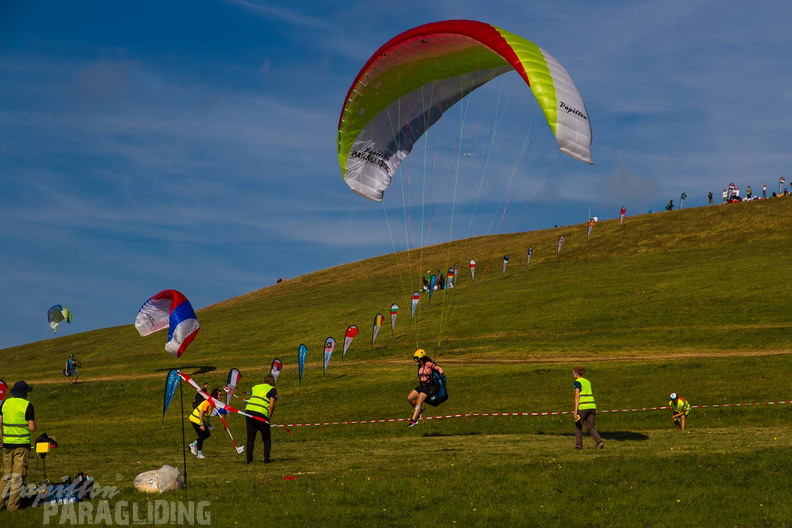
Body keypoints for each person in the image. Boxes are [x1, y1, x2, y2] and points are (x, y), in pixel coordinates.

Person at [0, 381, 36, 511]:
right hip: (21, 445)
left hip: (7, 444)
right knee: (18, 475)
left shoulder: (5, 403)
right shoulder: (27, 405)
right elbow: (32, 428)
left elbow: (0, 422)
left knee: (6, 474)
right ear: (25, 393)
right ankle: (13, 506)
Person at [406, 349, 444, 428]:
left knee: (419, 402)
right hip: (421, 385)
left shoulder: (428, 364)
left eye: (418, 359)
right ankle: (420, 411)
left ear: (422, 358)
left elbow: (438, 368)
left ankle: (414, 420)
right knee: (410, 398)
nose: (417, 361)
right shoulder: (420, 365)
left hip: (427, 386)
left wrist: (441, 373)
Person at [245, 375, 277, 463]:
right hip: (261, 413)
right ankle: (266, 459)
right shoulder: (272, 389)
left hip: (249, 412)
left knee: (250, 437)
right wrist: (268, 417)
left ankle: (249, 459)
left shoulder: (255, 387)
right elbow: (271, 405)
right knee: (266, 438)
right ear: (272, 382)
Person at [572, 367, 604, 450]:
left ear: (576, 373)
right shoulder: (587, 381)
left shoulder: (577, 382)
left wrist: (575, 411)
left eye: (573, 373)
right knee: (590, 427)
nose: (572, 374)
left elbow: (577, 397)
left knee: (578, 427)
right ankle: (599, 442)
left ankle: (578, 446)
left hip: (583, 407)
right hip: (592, 406)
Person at [188, 388, 223, 459]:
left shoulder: (212, 402)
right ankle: (199, 454)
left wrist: (207, 424)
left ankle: (193, 445)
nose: (221, 396)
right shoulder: (208, 402)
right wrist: (201, 424)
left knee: (207, 434)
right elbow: (201, 413)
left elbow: (206, 415)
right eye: (220, 395)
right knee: (201, 435)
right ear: (215, 395)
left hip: (199, 419)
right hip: (196, 419)